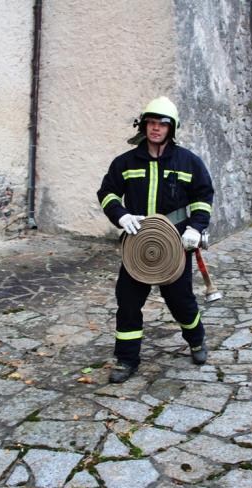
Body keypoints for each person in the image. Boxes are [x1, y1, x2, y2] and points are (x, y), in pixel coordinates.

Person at [97, 96, 215, 383]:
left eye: (162, 124)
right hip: (137, 247)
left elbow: (203, 197)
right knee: (127, 303)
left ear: (171, 128)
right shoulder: (125, 162)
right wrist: (121, 215)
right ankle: (126, 359)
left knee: (181, 302)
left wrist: (196, 228)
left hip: (176, 245)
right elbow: (107, 193)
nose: (155, 128)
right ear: (143, 126)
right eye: (151, 123)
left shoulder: (189, 162)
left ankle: (196, 340)